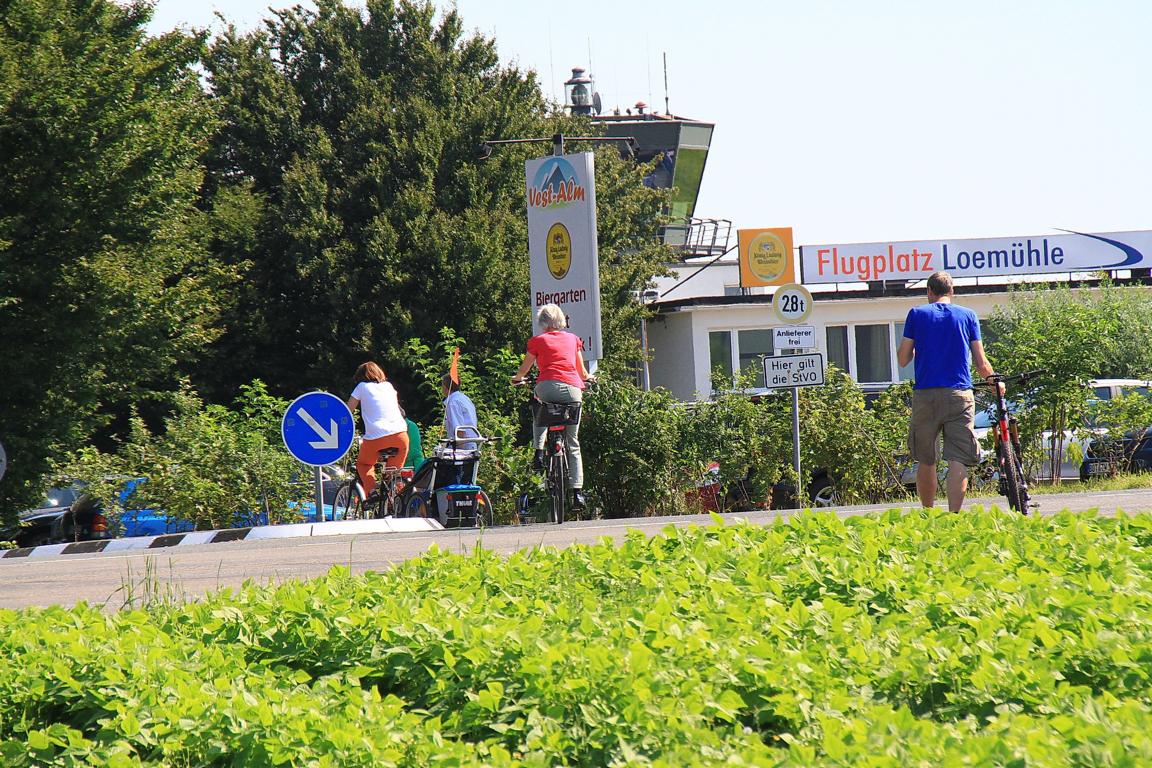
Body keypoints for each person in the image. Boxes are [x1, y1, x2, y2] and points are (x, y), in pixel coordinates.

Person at [896, 271, 998, 513]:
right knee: (958, 458)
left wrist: (918, 351)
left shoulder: (917, 314)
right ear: (952, 291)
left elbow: (903, 359)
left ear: (929, 291)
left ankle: (928, 514)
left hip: (926, 395)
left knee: (926, 459)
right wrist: (994, 381)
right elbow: (981, 363)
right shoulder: (968, 316)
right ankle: (954, 516)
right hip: (960, 394)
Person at [510, 303, 594, 511]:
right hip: (572, 390)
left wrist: (518, 378)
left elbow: (525, 367)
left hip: (546, 388)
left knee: (538, 409)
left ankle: (538, 453)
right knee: (573, 442)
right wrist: (589, 377)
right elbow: (582, 372)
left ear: (543, 323)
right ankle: (577, 493)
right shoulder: (573, 339)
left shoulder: (538, 341)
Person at [345, 362, 409, 499]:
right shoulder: (389, 386)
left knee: (364, 464)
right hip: (401, 435)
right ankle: (397, 500)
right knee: (393, 473)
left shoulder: (361, 387)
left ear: (361, 377)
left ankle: (372, 492)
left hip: (376, 437)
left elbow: (347, 411)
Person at [442, 374, 479, 452]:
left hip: (463, 446)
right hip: (471, 444)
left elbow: (459, 429)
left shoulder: (453, 402)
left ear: (445, 387)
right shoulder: (464, 398)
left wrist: (458, 452)